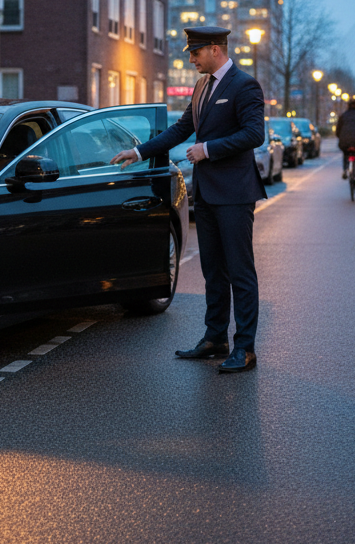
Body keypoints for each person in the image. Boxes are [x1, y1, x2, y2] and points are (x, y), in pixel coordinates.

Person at [111, 26, 266, 373]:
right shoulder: (202, 86)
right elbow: (181, 128)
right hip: (208, 194)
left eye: (195, 53)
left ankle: (245, 348)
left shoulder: (245, 85)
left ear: (215, 49)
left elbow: (254, 134)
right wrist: (137, 151)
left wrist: (207, 149)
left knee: (240, 271)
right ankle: (215, 339)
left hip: (235, 194)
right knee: (213, 270)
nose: (191, 59)